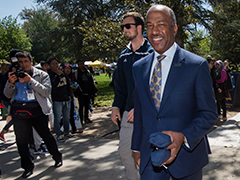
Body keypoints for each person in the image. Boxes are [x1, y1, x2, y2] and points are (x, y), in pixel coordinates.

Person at [131, 5, 218, 180]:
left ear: (174, 28)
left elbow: (209, 113)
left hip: (188, 159)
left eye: (161, 24)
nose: (154, 31)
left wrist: (183, 137)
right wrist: (136, 148)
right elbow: (140, 112)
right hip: (150, 159)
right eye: (149, 26)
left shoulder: (196, 65)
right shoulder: (138, 68)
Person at [4, 51, 62, 178]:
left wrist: (30, 80)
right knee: (21, 141)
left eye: (26, 61)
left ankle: (57, 156)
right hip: (19, 110)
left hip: (37, 109)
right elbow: (7, 95)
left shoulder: (41, 75)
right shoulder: (14, 75)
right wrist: (11, 83)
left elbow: (46, 92)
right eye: (20, 62)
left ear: (31, 62)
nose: (23, 64)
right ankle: (27, 167)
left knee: (46, 136)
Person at [111, 12, 153, 180]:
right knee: (124, 152)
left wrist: (141, 106)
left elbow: (156, 87)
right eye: (123, 27)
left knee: (148, 154)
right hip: (128, 114)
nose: (124, 30)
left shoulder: (152, 53)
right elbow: (120, 87)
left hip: (150, 115)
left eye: (127, 26)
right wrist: (115, 106)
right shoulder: (123, 56)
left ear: (139, 28)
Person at [47, 56, 74, 141]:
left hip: (66, 98)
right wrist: (57, 76)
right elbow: (52, 86)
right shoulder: (49, 74)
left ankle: (67, 131)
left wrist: (69, 94)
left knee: (67, 116)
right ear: (50, 65)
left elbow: (67, 85)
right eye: (53, 64)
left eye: (56, 63)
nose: (55, 65)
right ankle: (58, 134)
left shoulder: (62, 73)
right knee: (57, 117)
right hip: (56, 99)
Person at [63, 64, 83, 134]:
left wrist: (74, 88)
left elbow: (73, 89)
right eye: (66, 68)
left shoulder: (71, 77)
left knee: (71, 114)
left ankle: (74, 129)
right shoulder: (62, 77)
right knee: (65, 114)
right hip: (63, 98)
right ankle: (61, 129)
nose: (68, 70)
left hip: (70, 97)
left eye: (69, 68)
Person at [75, 59, 96, 124]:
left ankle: (86, 118)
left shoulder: (87, 72)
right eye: (80, 64)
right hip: (80, 92)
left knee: (87, 106)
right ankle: (81, 119)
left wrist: (92, 91)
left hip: (88, 91)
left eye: (82, 63)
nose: (81, 65)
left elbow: (91, 82)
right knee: (81, 106)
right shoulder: (76, 72)